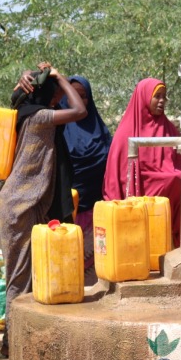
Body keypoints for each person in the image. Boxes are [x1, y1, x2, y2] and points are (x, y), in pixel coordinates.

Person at [0, 66, 87, 357]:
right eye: (57, 90)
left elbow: (17, 96)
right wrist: (59, 77)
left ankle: (18, 340)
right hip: (18, 206)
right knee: (19, 278)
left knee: (27, 275)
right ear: (46, 92)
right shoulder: (40, 118)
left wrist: (31, 77)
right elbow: (80, 111)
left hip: (21, 203)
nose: (60, 95)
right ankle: (11, 344)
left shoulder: (28, 112)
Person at [102, 78, 181, 246]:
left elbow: (179, 164)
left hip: (168, 206)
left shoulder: (169, 129)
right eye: (157, 96)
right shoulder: (127, 131)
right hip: (139, 197)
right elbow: (122, 175)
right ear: (145, 97)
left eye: (164, 97)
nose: (161, 101)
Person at [60, 76, 112, 284]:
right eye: (75, 96)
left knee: (94, 271)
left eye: (84, 97)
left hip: (96, 212)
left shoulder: (101, 130)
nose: (80, 102)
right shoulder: (58, 130)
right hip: (67, 211)